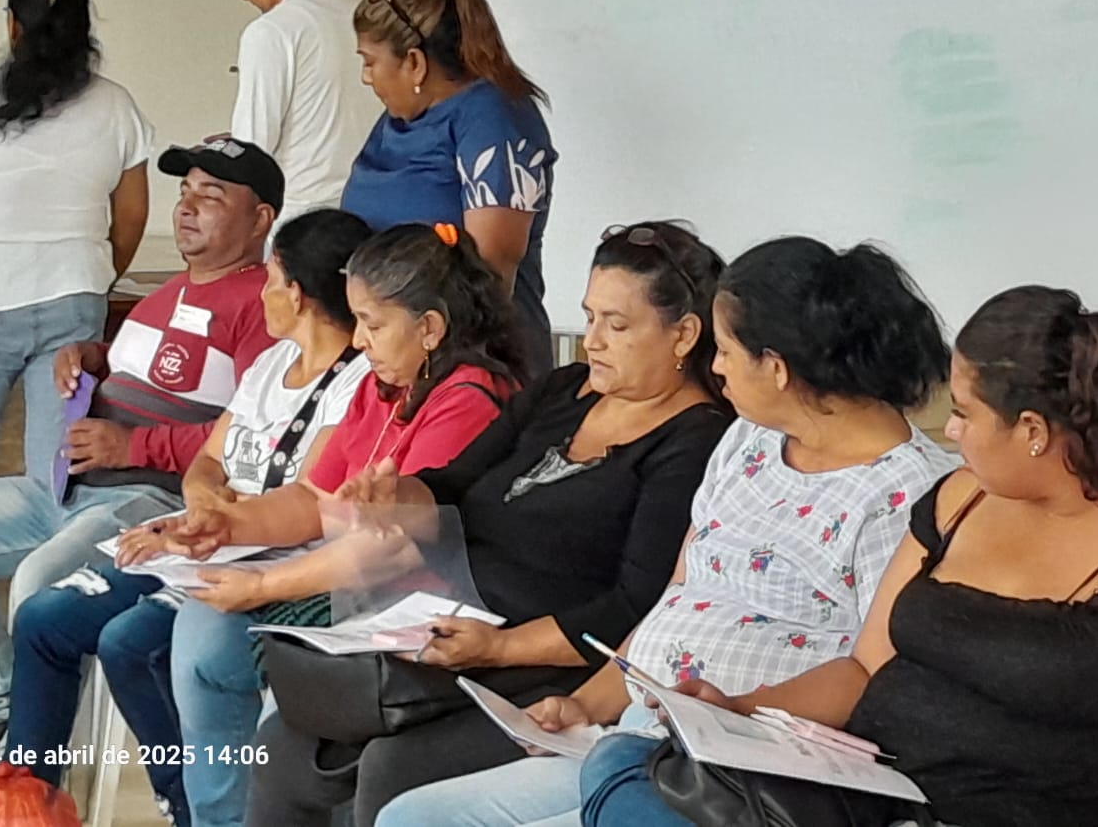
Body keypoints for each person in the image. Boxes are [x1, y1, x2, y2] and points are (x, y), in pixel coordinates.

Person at [577, 286, 1098, 827]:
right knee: (622, 763)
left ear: (1032, 431)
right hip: (862, 790)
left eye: (963, 412)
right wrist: (736, 713)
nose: (949, 432)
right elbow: (863, 669)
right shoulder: (959, 502)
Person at [372, 236, 960, 827]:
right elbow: (679, 598)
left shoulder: (910, 495)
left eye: (725, 351)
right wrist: (584, 705)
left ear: (777, 368)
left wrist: (734, 711)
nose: (716, 367)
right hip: (645, 732)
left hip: (750, 772)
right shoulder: (750, 440)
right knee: (411, 817)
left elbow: (870, 675)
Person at [242, 222, 732, 827]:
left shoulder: (697, 442)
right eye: (589, 317)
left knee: (395, 768)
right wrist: (397, 495)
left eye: (617, 325)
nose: (593, 340)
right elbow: (454, 483)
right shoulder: (564, 390)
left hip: (555, 660)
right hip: (456, 631)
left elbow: (637, 604)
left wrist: (500, 648)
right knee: (287, 747)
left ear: (683, 334)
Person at [0, 138, 281, 780]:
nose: (187, 207)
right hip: (63, 488)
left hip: (149, 501)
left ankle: (37, 772)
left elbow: (255, 435)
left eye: (212, 196)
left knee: (38, 584)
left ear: (260, 219)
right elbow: (143, 369)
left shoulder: (261, 306)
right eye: (185, 192)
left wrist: (133, 445)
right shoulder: (165, 292)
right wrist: (92, 356)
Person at [0, 210, 374, 824]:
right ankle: (21, 803)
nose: (261, 292)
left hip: (265, 554)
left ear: (296, 294)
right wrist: (202, 506)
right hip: (207, 534)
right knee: (45, 617)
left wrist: (213, 524)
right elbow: (207, 462)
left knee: (130, 644)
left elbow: (305, 501)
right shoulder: (273, 363)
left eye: (270, 279)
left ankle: (191, 806)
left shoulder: (355, 382)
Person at [165, 221, 526, 827]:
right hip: (355, 592)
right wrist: (226, 525)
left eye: (372, 324)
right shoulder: (386, 385)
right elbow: (313, 496)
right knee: (199, 634)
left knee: (267, 693)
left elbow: (392, 550)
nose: (359, 341)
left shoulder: (468, 397)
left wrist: (260, 586)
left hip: (414, 609)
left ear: (430, 328)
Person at [0, 0, 151, 497]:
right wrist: (99, 276)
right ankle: (47, 552)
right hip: (74, 300)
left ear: (13, 26)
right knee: (55, 463)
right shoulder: (117, 106)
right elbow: (132, 216)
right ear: (83, 31)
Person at [343, 0, 556, 382]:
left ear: (415, 63)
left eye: (369, 62)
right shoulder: (399, 119)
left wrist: (449, 382)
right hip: (396, 357)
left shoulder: (494, 119)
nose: (365, 76)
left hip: (468, 365)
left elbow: (491, 273)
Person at [220, 0, 371, 233]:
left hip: (299, 224)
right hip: (366, 215)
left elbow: (252, 150)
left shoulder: (270, 31)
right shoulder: (363, 19)